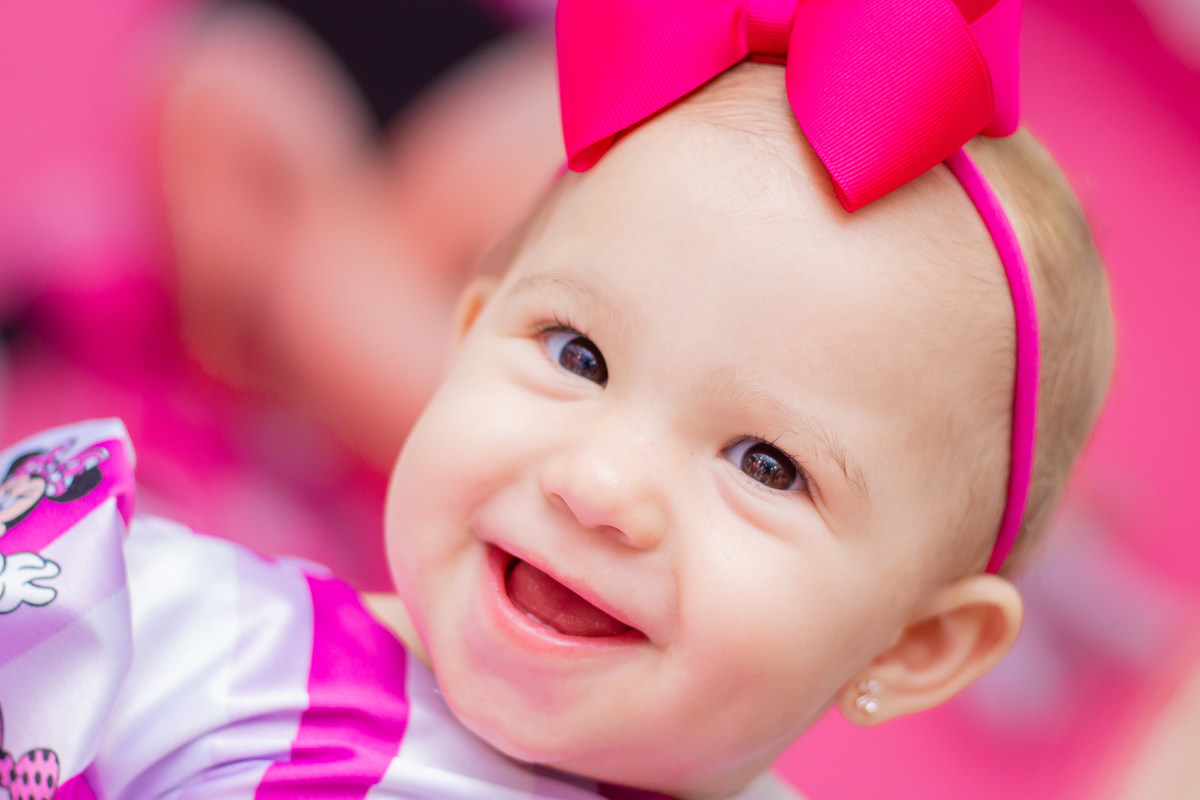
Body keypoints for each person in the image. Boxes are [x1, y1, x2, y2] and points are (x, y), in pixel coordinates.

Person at [0, 0, 1115, 797]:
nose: (598, 483)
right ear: (471, 334)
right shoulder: (173, 636)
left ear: (915, 642)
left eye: (765, 462)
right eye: (577, 354)